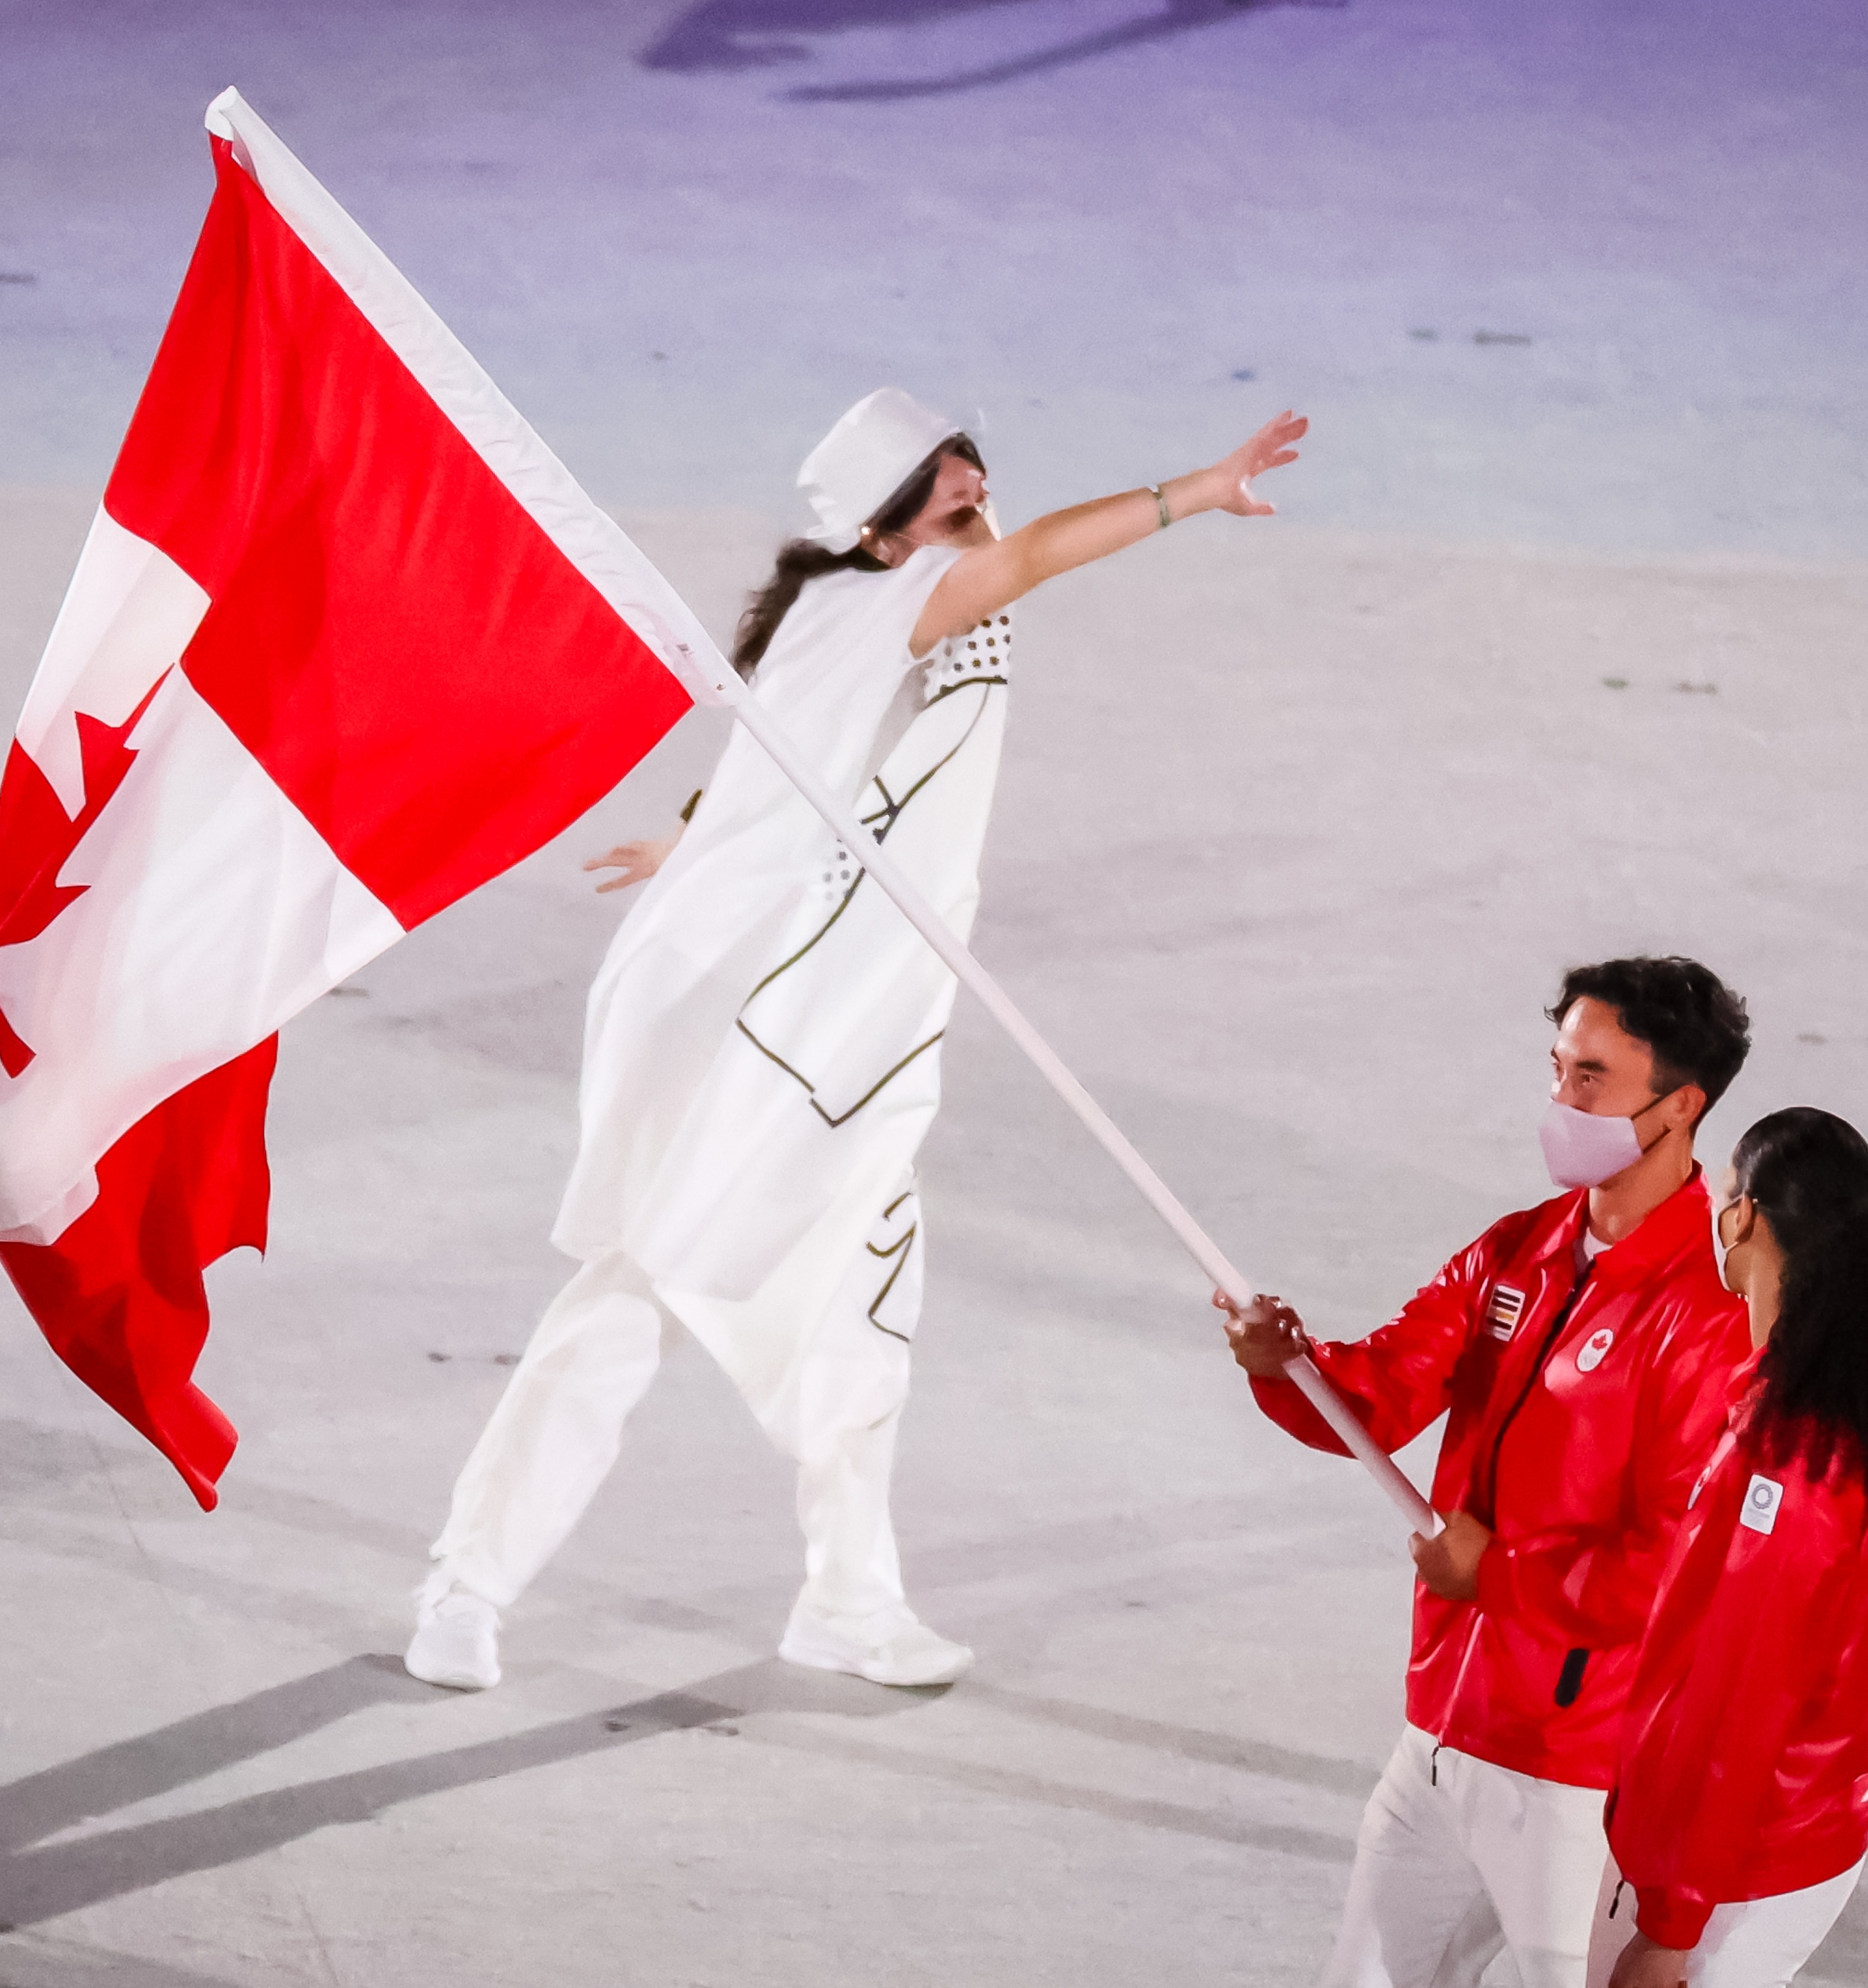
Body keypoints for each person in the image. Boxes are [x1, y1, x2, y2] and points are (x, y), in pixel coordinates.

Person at [408, 388, 1310, 1691]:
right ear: (887, 535)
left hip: (866, 1029)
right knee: (641, 1292)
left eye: (967, 460)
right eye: (938, 481)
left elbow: (791, 749)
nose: (968, 479)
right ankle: (467, 1586)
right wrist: (1195, 490)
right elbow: (1037, 554)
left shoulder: (865, 611)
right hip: (769, 1017)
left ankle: (849, 1598)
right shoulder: (891, 598)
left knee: (864, 1320)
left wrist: (702, 830)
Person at [1224, 957, 1754, 1988]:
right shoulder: (1515, 1251)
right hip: (1439, 1737)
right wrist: (1287, 1364)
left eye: (1591, 1077)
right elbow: (1376, 1398)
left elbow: (1675, 1572)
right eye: (1556, 1069)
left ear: (1680, 1106)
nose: (1561, 1100)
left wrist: (1499, 1577)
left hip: (1576, 1776)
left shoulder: (1709, 1321)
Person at [1588, 1108, 1868, 1988]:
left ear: (1744, 1216)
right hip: (1726, 1841)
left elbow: (1741, 1704)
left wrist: (1671, 1925)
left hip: (1737, 1866)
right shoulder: (1807, 1397)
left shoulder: (1794, 1472)